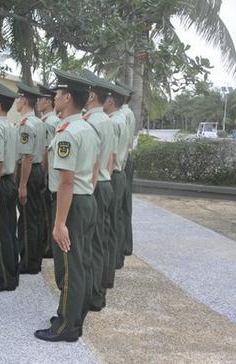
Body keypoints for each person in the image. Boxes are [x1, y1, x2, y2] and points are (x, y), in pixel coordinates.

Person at [35, 69, 99, 343]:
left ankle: (67, 327)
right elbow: (95, 168)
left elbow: (66, 182)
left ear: (68, 97)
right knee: (80, 263)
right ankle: (71, 315)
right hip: (86, 200)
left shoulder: (67, 133)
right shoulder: (88, 127)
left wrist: (60, 222)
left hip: (71, 204)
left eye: (58, 94)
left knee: (69, 267)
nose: (55, 97)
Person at [80, 70, 115, 312]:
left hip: (94, 186)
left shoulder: (91, 122)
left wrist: (90, 190)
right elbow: (110, 158)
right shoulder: (107, 120)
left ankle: (93, 294)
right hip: (105, 182)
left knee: (91, 244)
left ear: (91, 95)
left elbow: (91, 163)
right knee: (99, 240)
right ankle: (97, 291)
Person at [0, 80, 19, 292]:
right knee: (9, 231)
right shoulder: (12, 127)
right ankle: (12, 272)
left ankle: (5, 278)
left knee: (0, 234)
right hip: (10, 180)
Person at [16, 82, 47, 275]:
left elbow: (26, 157)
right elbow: (43, 152)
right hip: (37, 170)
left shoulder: (26, 124)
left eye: (19, 98)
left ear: (25, 100)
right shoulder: (39, 122)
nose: (16, 102)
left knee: (27, 220)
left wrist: (22, 185)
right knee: (34, 218)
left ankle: (28, 262)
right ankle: (35, 258)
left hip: (28, 171)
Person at [103, 83, 130, 275]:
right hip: (120, 173)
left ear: (111, 101)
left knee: (109, 222)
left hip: (112, 174)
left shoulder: (113, 122)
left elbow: (110, 157)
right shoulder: (122, 120)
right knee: (116, 219)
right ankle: (116, 258)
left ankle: (110, 262)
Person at [38, 85, 62, 259]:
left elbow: (47, 150)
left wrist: (44, 173)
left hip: (49, 172)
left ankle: (48, 247)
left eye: (41, 99)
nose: (38, 102)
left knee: (46, 212)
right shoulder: (53, 121)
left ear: (48, 101)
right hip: (53, 172)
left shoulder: (49, 122)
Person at [115, 81, 136, 257]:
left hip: (123, 162)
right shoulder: (125, 114)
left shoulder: (123, 114)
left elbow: (124, 144)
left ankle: (125, 245)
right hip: (124, 161)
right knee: (123, 206)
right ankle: (124, 245)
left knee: (122, 206)